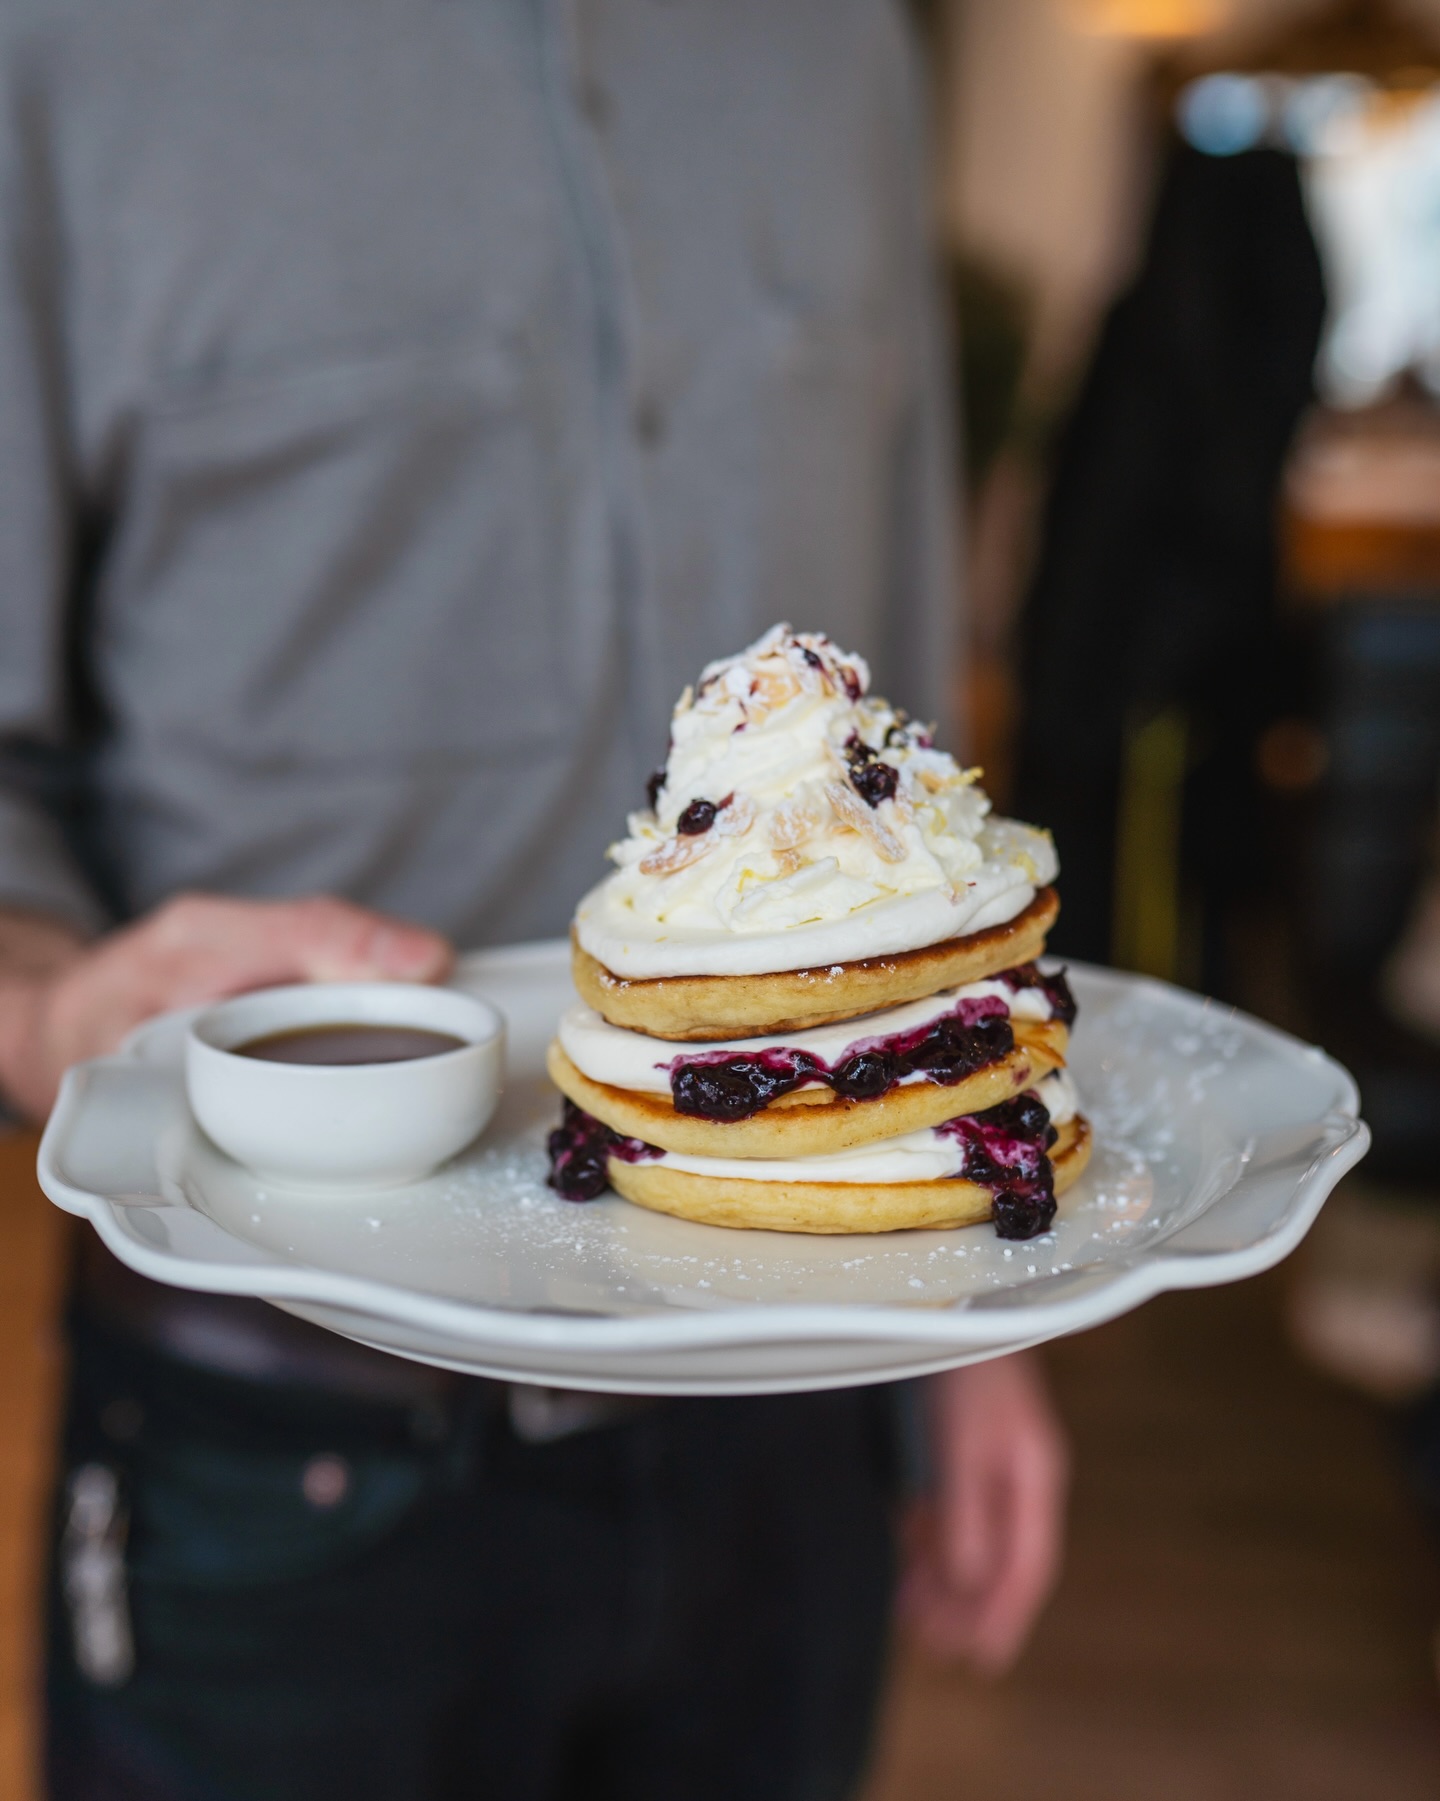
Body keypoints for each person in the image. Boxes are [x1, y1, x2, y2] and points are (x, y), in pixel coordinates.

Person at [0, 4, 1068, 1796]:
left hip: (791, 1423)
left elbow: (912, 765)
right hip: (283, 1445)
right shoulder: (65, 45)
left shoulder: (839, 46)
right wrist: (47, 1008)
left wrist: (976, 1333)